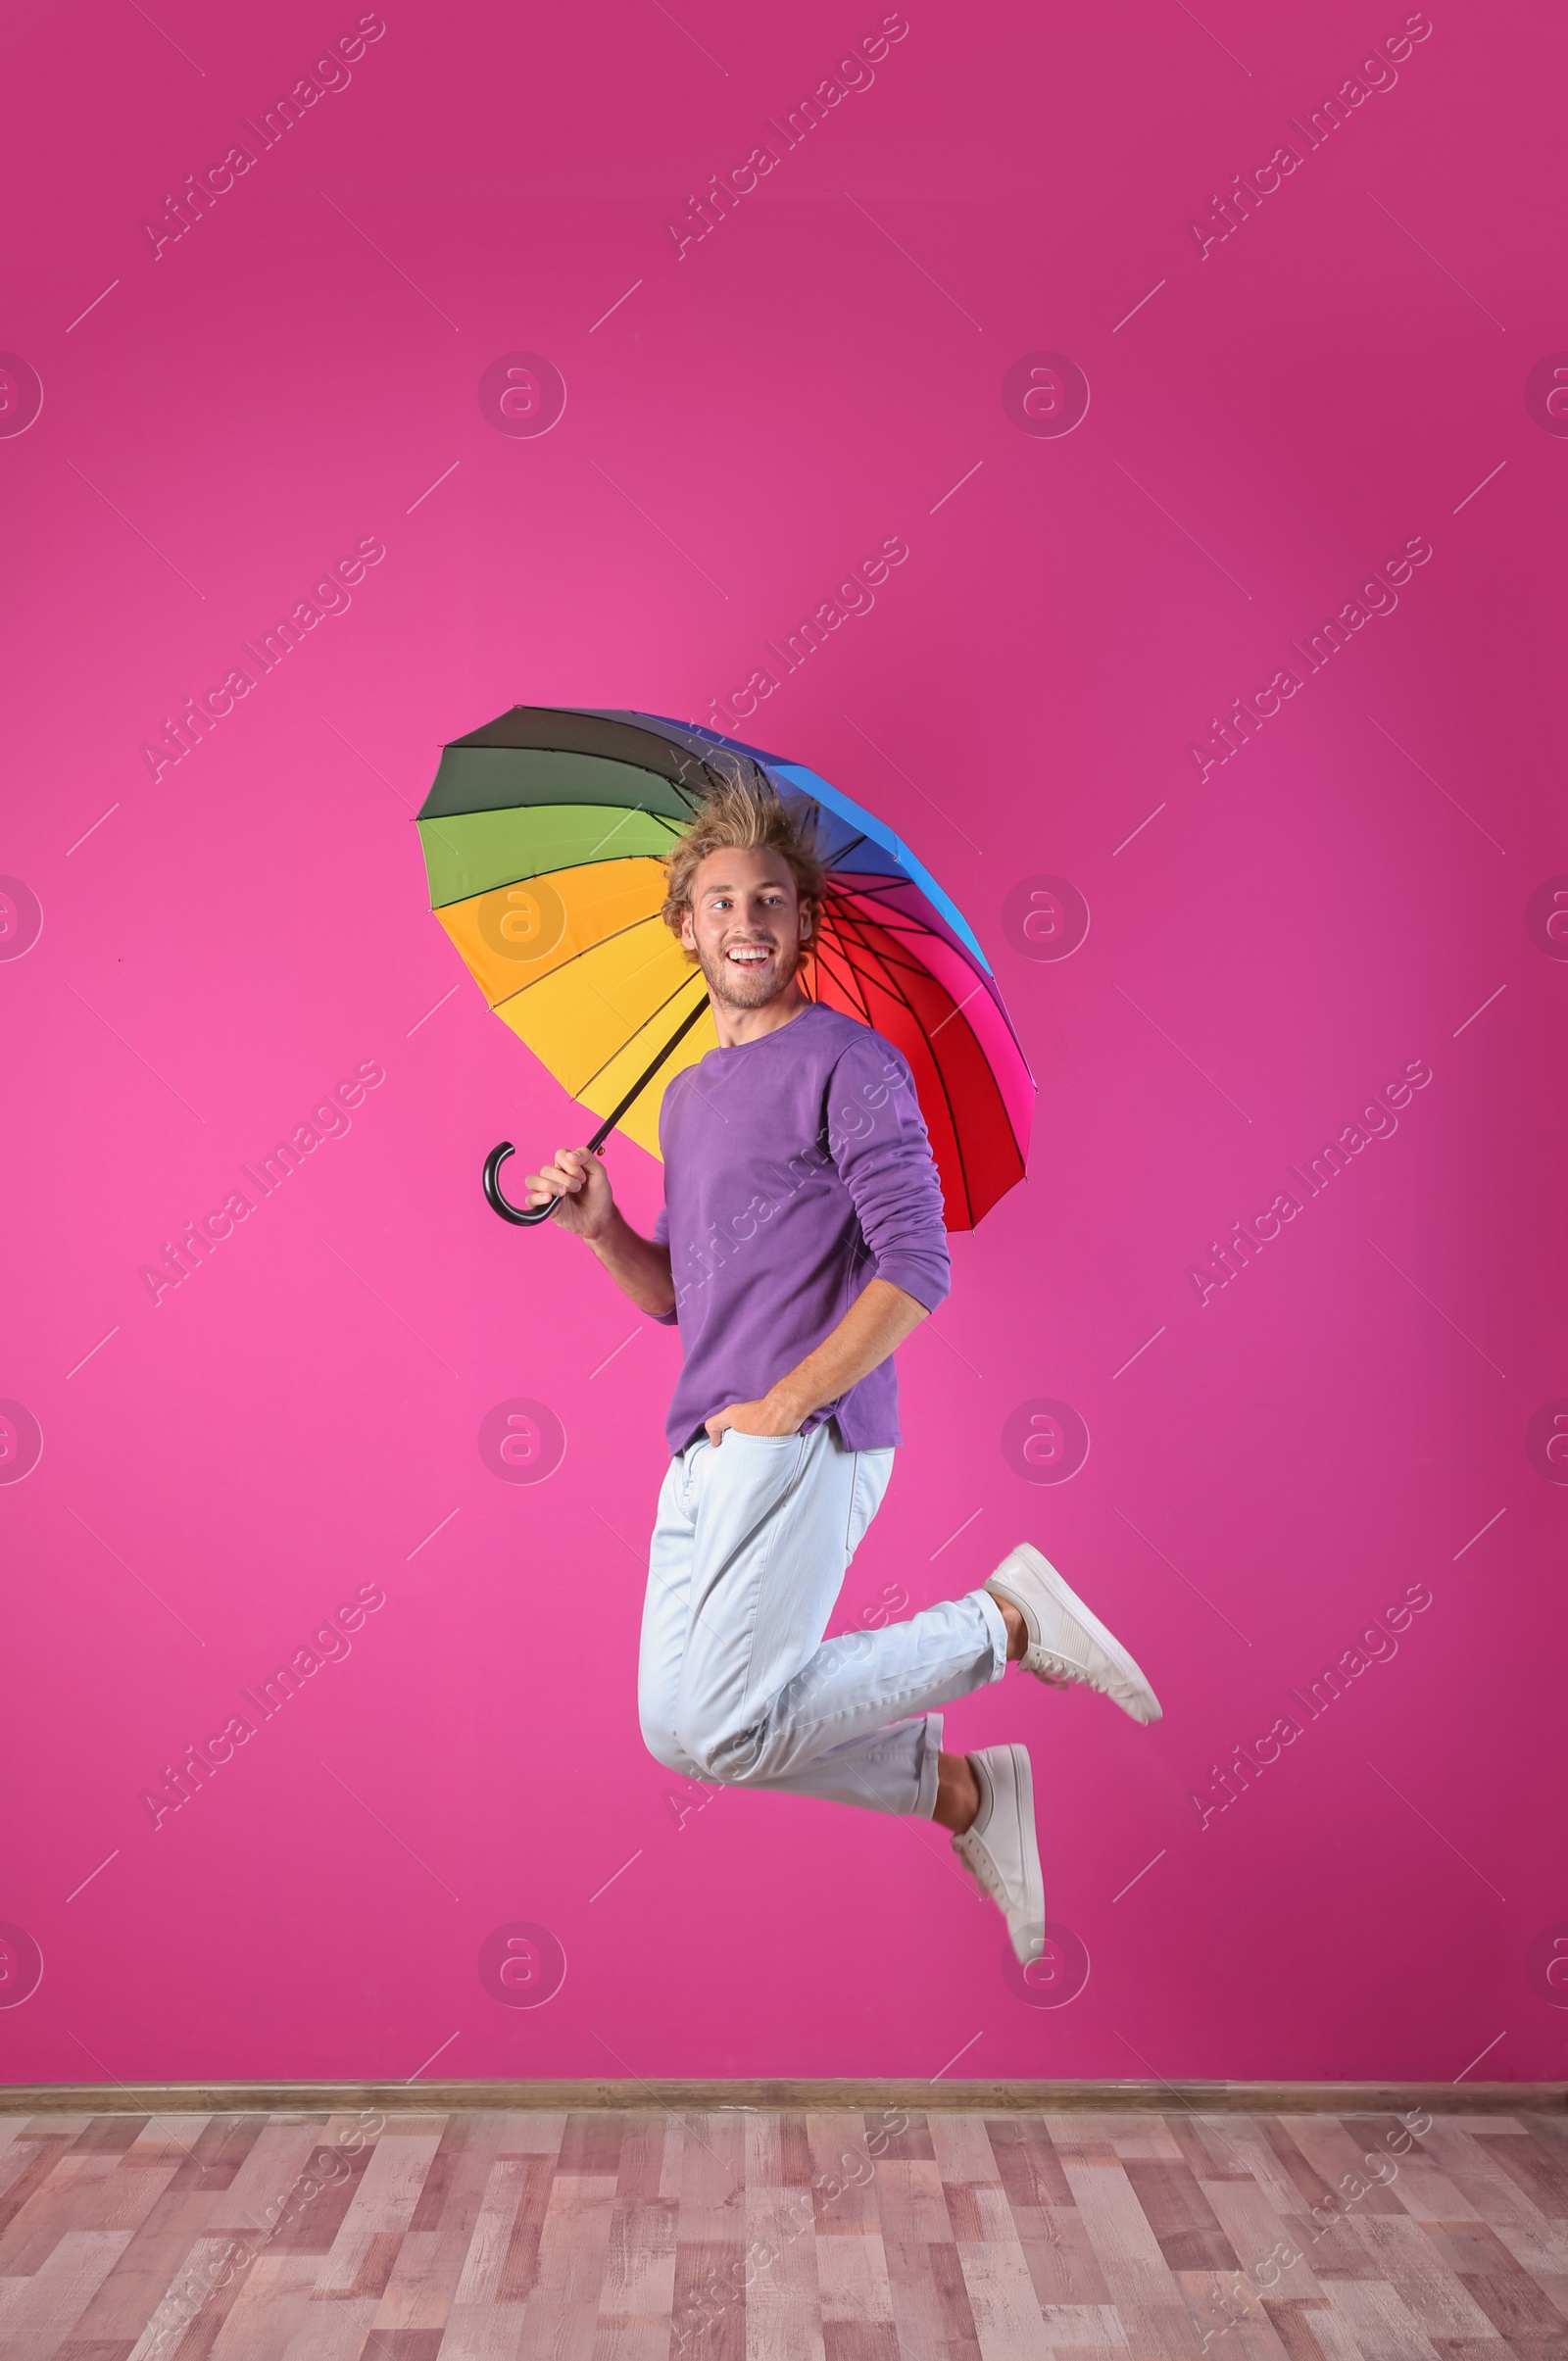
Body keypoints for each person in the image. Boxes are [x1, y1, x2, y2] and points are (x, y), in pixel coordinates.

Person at [525, 769, 1160, 1962]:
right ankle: (963, 1795)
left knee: (718, 1721)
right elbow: (685, 1301)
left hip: (803, 1435)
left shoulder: (851, 1065)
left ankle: (1004, 1623)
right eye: (720, 903)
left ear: (803, 923)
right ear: (685, 931)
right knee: (683, 1732)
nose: (746, 923)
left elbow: (918, 1265)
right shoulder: (689, 1099)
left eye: (770, 900)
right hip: (703, 1445)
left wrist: (783, 1407)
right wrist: (604, 1228)